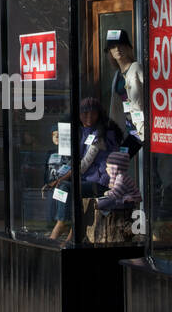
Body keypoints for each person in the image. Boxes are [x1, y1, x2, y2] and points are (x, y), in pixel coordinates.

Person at [42, 97, 122, 241]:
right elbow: (74, 159)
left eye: (93, 113)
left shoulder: (101, 134)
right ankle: (67, 226)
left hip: (101, 182)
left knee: (65, 187)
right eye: (84, 113)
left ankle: (61, 225)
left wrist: (60, 180)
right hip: (84, 179)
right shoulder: (81, 131)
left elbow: (84, 164)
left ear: (99, 114)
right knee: (63, 189)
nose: (88, 117)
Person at [106, 30, 146, 156]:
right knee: (116, 164)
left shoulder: (136, 68)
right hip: (128, 130)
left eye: (121, 45)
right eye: (113, 47)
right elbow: (116, 107)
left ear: (127, 47)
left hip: (142, 129)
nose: (117, 49)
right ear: (110, 52)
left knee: (117, 164)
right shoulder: (117, 75)